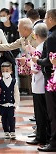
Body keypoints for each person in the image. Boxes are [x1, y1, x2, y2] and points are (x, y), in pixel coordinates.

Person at [32, 9, 56, 152]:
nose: (44, 21)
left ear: (52, 19)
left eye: (46, 18)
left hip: (52, 79)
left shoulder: (52, 37)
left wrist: (38, 61)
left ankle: (53, 143)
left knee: (52, 113)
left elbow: (51, 59)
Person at [25, 23, 50, 146]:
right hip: (43, 85)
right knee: (45, 113)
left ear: (35, 35)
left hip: (39, 85)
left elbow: (35, 68)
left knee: (40, 115)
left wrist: (29, 61)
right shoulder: (44, 46)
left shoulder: (41, 47)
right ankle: (45, 136)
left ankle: (41, 137)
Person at [0, 62, 20, 139]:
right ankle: (6, 131)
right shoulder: (0, 81)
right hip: (2, 104)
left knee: (11, 118)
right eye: (3, 71)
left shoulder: (14, 81)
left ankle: (12, 131)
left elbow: (16, 93)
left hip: (11, 104)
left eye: (7, 71)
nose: (5, 73)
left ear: (11, 71)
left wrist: (16, 103)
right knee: (4, 118)